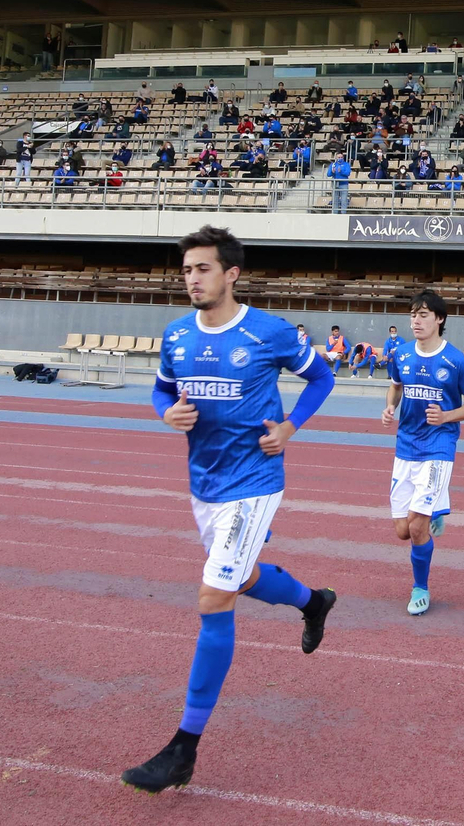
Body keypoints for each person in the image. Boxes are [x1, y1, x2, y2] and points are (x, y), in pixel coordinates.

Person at [120, 227, 337, 793]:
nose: (192, 278)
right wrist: (165, 413)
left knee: (213, 595)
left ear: (231, 274)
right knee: (238, 578)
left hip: (255, 481)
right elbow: (163, 391)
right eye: (187, 269)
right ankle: (314, 601)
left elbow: (321, 376)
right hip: (204, 485)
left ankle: (182, 749)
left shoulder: (268, 331)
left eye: (203, 269)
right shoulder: (175, 335)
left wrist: (290, 427)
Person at [380, 290, 464, 616]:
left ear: (439, 319)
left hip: (439, 446)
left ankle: (420, 587)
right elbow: (396, 386)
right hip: (405, 446)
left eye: (424, 314)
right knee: (401, 530)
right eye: (413, 314)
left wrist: (447, 417)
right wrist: (389, 407)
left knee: (415, 529)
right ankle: (437, 507)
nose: (416, 320)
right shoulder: (402, 354)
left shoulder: (455, 360)